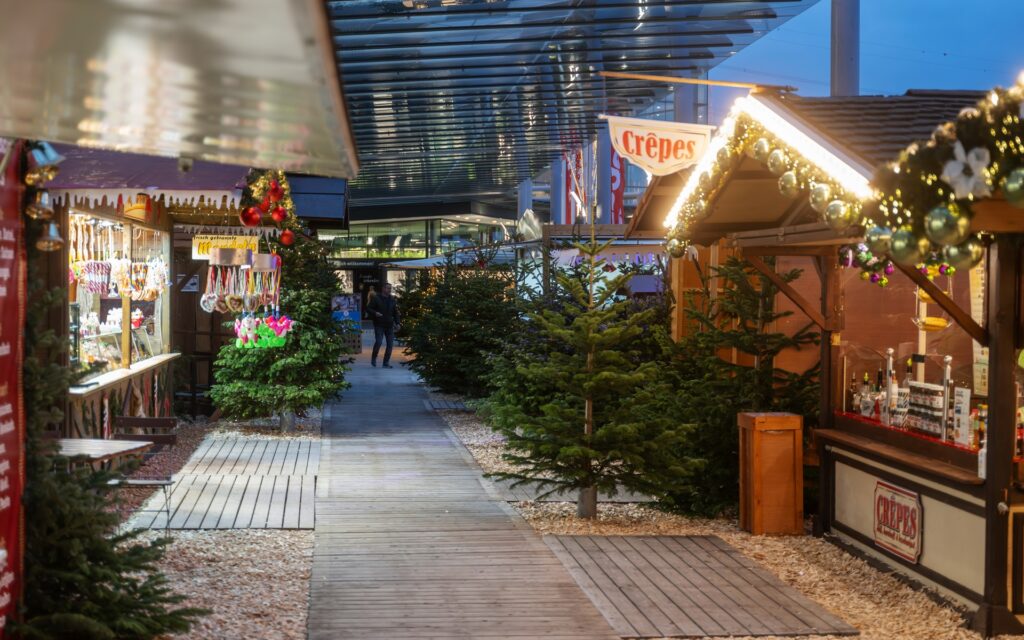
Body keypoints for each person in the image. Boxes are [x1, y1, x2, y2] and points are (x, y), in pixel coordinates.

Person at [367, 283, 400, 368]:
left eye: (390, 288)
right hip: (379, 324)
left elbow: (395, 312)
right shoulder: (376, 298)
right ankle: (374, 357)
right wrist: (375, 313)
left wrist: (397, 323)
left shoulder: (392, 299)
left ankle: (385, 363)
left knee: (390, 344)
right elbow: (368, 308)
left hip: (389, 325)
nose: (389, 290)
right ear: (383, 289)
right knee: (379, 342)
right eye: (388, 288)